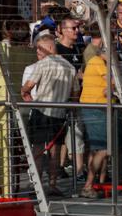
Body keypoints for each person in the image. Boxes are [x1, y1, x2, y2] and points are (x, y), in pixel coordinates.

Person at [21, 34, 76, 198]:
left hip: (41, 111)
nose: (39, 51)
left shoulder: (43, 64)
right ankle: (52, 185)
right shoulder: (70, 67)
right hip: (59, 113)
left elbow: (29, 85)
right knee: (55, 151)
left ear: (50, 47)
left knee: (38, 148)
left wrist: (25, 93)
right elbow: (75, 93)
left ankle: (37, 185)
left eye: (40, 48)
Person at [78, 30, 108, 199]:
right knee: (104, 149)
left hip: (98, 108)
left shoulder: (98, 62)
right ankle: (88, 185)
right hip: (96, 109)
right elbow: (114, 83)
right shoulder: (97, 62)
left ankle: (97, 183)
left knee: (97, 149)